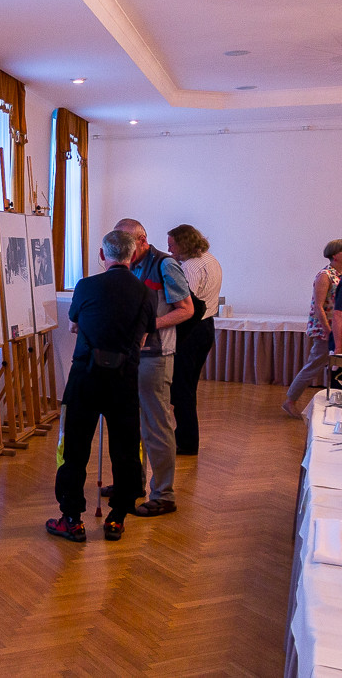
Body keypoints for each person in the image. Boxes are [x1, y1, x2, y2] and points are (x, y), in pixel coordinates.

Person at [47, 230, 155, 542]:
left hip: (85, 378)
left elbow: (73, 325)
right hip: (124, 381)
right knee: (126, 451)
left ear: (101, 254)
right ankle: (117, 518)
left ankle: (72, 519)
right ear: (132, 255)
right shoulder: (145, 293)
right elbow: (143, 339)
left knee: (74, 449)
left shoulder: (86, 285)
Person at [113, 218, 193, 518]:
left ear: (142, 240)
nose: (122, 251)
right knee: (129, 424)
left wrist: (148, 325)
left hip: (156, 357)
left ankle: (164, 494)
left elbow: (186, 309)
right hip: (130, 356)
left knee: (156, 426)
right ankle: (133, 483)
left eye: (126, 244)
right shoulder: (127, 266)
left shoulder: (165, 265)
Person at [281, 239, 342, 418]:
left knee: (335, 366)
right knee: (314, 365)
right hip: (325, 330)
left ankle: (336, 400)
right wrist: (328, 331)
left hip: (338, 329)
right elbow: (319, 306)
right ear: (334, 255)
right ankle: (290, 400)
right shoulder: (324, 275)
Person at [167, 224, 222, 455]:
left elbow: (184, 303)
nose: (170, 251)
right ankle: (185, 436)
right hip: (206, 327)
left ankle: (187, 441)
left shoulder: (190, 266)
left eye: (172, 246)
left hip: (192, 329)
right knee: (188, 386)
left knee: (182, 388)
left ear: (184, 243)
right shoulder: (210, 259)